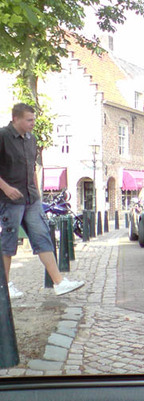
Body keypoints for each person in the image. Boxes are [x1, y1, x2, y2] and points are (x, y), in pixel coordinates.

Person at [0, 103, 85, 299]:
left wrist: (37, 192)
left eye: (34, 119)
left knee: (43, 237)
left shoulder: (32, 140)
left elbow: (32, 168)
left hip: (31, 199)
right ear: (16, 119)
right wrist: (5, 188)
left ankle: (59, 283)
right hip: (9, 200)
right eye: (29, 120)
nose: (33, 123)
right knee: (8, 243)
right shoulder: (3, 136)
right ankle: (4, 286)